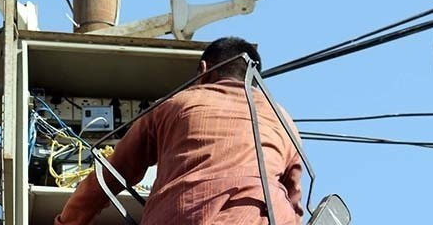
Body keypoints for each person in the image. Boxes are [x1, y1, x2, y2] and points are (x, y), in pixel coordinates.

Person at [54, 37, 303, 225]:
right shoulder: (284, 120)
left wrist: (66, 221)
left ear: (203, 69)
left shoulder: (176, 104)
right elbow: (295, 202)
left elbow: (110, 175)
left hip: (185, 214)